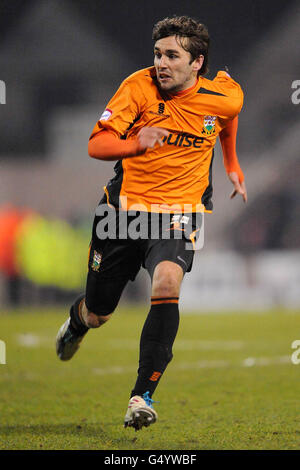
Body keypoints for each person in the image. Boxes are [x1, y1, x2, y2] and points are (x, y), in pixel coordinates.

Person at [56, 15, 247, 431]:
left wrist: (232, 166)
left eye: (172, 55)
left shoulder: (224, 94)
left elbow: (226, 120)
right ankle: (78, 320)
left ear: (197, 63)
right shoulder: (137, 87)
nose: (161, 62)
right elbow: (96, 144)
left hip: (180, 212)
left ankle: (141, 397)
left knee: (166, 283)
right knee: (100, 312)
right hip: (123, 215)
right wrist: (134, 142)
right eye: (158, 53)